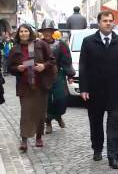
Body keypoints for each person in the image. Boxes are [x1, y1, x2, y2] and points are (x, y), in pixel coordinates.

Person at [79, 10, 118, 169]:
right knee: (96, 122)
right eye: (105, 21)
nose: (108, 23)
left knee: (114, 124)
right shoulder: (88, 41)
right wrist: (84, 88)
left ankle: (114, 156)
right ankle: (97, 148)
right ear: (99, 23)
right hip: (95, 90)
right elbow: (83, 66)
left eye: (110, 21)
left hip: (115, 91)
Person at [8, 24, 57, 152]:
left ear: (30, 32)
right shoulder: (15, 49)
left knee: (40, 113)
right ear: (18, 34)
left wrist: (43, 66)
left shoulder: (40, 45)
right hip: (25, 86)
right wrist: (17, 68)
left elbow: (52, 61)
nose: (24, 33)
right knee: (26, 114)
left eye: (26, 31)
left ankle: (39, 137)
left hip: (40, 85)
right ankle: (24, 140)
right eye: (21, 31)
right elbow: (10, 68)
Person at [38, 19, 75, 134]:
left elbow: (67, 60)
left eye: (49, 31)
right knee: (46, 101)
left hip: (58, 74)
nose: (47, 33)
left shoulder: (61, 44)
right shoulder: (37, 44)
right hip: (43, 76)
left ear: (53, 31)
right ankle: (48, 122)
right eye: (45, 31)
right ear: (42, 32)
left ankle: (58, 115)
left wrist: (69, 75)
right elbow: (31, 59)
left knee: (61, 99)